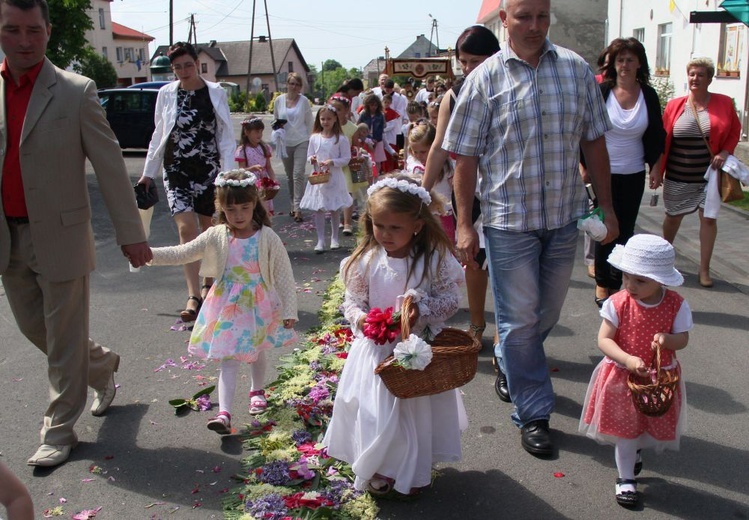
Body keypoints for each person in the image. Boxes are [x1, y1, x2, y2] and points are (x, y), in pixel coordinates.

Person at [443, 0, 618, 457]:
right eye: (524, 16)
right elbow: (464, 158)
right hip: (509, 223)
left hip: (564, 218)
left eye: (541, 16)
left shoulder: (577, 71)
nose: (534, 26)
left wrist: (609, 207)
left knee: (545, 316)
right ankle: (533, 411)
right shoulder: (484, 79)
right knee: (520, 322)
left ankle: (508, 358)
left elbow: (594, 141)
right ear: (505, 19)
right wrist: (465, 224)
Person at [0, 0, 151, 467]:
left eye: (32, 30)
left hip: (62, 236)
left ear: (48, 31)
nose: (23, 40)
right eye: (11, 29)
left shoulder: (75, 91)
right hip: (8, 236)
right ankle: (102, 365)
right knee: (36, 328)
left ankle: (59, 430)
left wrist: (132, 234)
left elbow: (110, 167)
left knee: (63, 339)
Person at [323, 176, 467, 496]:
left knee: (413, 413)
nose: (385, 235)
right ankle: (380, 466)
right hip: (376, 350)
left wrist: (421, 305)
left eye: (395, 228)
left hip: (417, 349)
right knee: (376, 411)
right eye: (379, 226)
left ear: (416, 225)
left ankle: (410, 469)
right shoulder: (367, 260)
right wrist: (362, 320)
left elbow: (451, 300)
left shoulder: (433, 259)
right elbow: (353, 301)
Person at [149, 170, 298, 434]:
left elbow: (283, 274)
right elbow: (184, 252)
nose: (238, 215)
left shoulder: (267, 237)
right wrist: (148, 255)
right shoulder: (217, 235)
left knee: (257, 351)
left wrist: (289, 309)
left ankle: (257, 390)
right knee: (229, 358)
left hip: (258, 304)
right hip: (227, 307)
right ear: (221, 208)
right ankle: (224, 414)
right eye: (231, 209)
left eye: (244, 208)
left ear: (255, 204)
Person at [579, 234, 691, 507]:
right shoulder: (618, 303)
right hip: (622, 377)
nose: (630, 285)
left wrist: (668, 339)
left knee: (645, 426)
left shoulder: (676, 304)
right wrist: (628, 359)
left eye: (641, 280)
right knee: (625, 433)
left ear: (661, 279)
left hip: (657, 379)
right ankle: (625, 478)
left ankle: (635, 452)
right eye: (627, 277)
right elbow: (604, 340)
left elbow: (683, 339)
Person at [139, 41, 235, 322]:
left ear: (197, 64)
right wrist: (148, 172)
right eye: (177, 67)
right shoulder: (167, 94)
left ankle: (208, 285)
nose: (183, 71)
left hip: (208, 169)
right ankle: (193, 294)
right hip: (176, 168)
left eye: (188, 65)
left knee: (209, 229)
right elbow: (159, 133)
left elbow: (226, 136)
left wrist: (227, 175)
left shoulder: (215, 92)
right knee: (186, 228)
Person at [422, 25, 500, 347]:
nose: (468, 69)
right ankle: (479, 326)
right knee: (474, 261)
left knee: (508, 267)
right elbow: (439, 147)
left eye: (475, 62)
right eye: (463, 62)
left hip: (508, 190)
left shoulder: (509, 89)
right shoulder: (452, 97)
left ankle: (504, 336)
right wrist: (422, 192)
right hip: (469, 191)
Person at [582, 38, 666, 308]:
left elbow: (656, 133)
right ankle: (603, 282)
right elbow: (584, 130)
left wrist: (655, 166)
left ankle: (617, 282)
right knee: (604, 227)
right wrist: (584, 167)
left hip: (632, 173)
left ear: (639, 63)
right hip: (602, 173)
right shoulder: (603, 91)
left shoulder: (648, 95)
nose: (625, 65)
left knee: (625, 230)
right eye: (620, 60)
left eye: (630, 60)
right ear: (613, 64)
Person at [659, 57, 741, 288]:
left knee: (708, 219)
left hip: (709, 175)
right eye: (692, 74)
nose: (695, 78)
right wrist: (656, 169)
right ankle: (664, 260)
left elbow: (735, 130)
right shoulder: (675, 105)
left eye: (700, 74)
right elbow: (663, 139)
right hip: (678, 174)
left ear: (709, 78)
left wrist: (725, 151)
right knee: (673, 217)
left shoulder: (724, 103)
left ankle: (704, 270)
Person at [300, 104, 353, 253]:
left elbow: (346, 158)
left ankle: (335, 238)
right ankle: (320, 239)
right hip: (319, 177)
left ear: (335, 119)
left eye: (329, 119)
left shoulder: (340, 139)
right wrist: (313, 159)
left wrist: (333, 162)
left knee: (334, 208)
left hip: (334, 177)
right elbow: (309, 154)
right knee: (319, 208)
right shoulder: (314, 138)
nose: (325, 122)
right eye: (323, 119)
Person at [273, 72, 314, 223]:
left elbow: (309, 122)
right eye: (292, 83)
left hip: (301, 140)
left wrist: (312, 140)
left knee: (298, 174)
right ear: (287, 85)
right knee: (290, 176)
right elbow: (275, 120)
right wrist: (277, 130)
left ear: (300, 87)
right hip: (285, 142)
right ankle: (292, 203)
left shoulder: (304, 101)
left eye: (297, 84)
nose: (294, 87)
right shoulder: (279, 100)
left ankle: (298, 207)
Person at [330, 94, 368, 235]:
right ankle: (339, 219)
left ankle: (347, 223)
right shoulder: (330, 126)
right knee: (335, 191)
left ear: (346, 110)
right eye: (333, 109)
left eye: (339, 109)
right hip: (333, 164)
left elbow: (356, 146)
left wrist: (356, 153)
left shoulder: (352, 128)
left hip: (347, 164)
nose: (335, 112)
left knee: (348, 191)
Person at [235, 117, 278, 215]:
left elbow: (268, 167)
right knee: (254, 211)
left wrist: (274, 181)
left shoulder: (264, 148)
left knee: (265, 211)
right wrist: (252, 168)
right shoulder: (242, 150)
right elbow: (241, 170)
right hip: (250, 184)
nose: (260, 135)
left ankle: (266, 229)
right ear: (246, 132)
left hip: (263, 184)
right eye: (256, 132)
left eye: (261, 132)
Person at [358, 93, 387, 172]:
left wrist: (376, 139)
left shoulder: (380, 115)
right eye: (371, 105)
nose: (374, 107)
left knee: (377, 160)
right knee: (366, 159)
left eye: (375, 105)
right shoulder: (363, 114)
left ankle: (376, 176)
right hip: (365, 139)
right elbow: (358, 125)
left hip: (378, 139)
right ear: (367, 105)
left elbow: (383, 126)